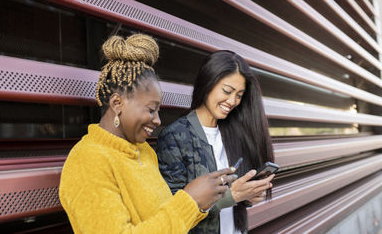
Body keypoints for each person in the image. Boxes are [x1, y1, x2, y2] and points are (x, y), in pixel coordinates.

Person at [59, 35, 237, 234]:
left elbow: (167, 222)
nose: (158, 120)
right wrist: (190, 200)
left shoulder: (144, 152)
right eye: (151, 110)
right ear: (118, 103)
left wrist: (202, 201)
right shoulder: (87, 161)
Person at [156, 50, 275, 234]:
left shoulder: (234, 133)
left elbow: (236, 199)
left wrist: (248, 196)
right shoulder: (175, 136)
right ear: (208, 82)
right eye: (227, 91)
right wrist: (231, 197)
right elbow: (171, 209)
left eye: (239, 95)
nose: (232, 101)